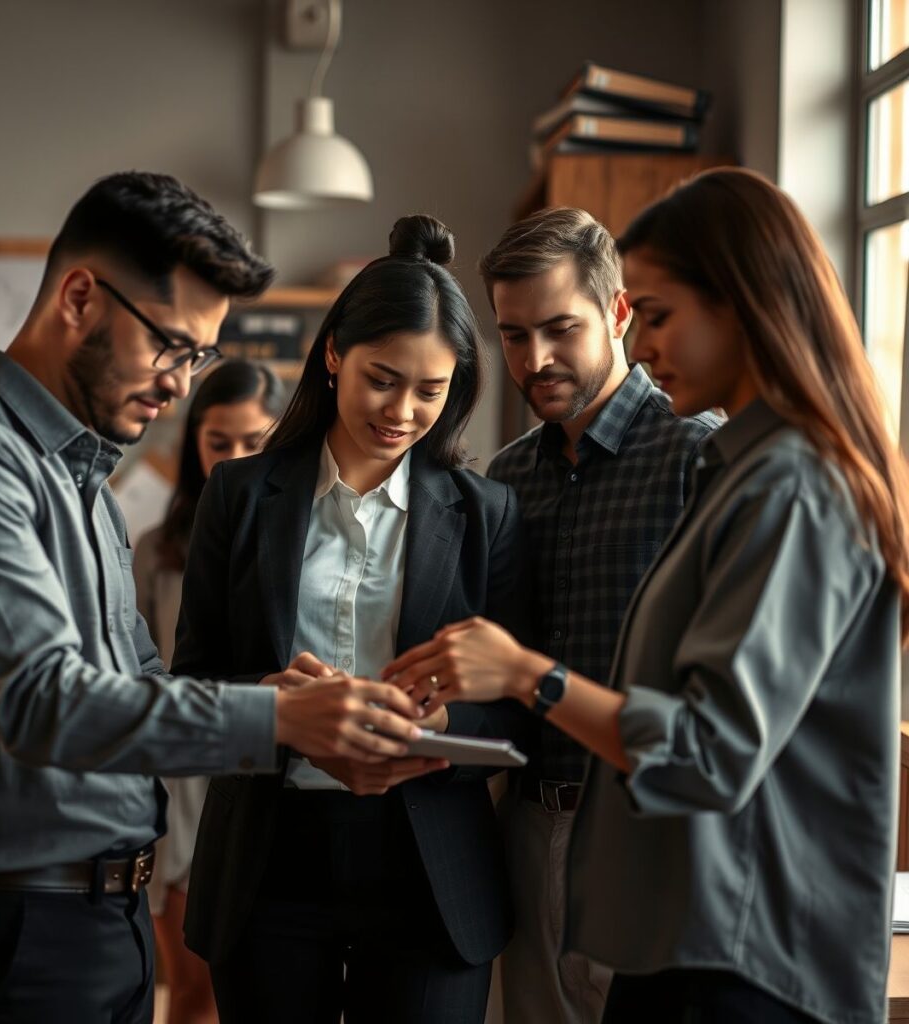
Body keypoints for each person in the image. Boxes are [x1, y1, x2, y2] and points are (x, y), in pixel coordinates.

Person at [0, 171, 423, 1023]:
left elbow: (138, 689)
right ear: (78, 298)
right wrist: (279, 723)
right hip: (9, 931)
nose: (181, 384)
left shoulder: (89, 481)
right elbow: (40, 703)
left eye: (198, 357)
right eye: (171, 345)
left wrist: (270, 702)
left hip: (109, 921)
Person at [385, 167, 909, 1024]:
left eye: (658, 315)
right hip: (615, 863)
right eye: (513, 335)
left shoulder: (763, 479)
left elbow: (711, 748)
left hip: (718, 902)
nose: (536, 359)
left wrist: (528, 675)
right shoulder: (724, 468)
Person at [173, 214, 532, 1024]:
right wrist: (276, 709)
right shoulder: (238, 496)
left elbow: (519, 710)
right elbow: (192, 686)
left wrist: (442, 725)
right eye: (382, 378)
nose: (402, 410)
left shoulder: (488, 516)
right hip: (269, 863)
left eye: (431, 390)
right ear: (334, 354)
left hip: (430, 868)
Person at [474, 206, 718, 1024]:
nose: (535, 359)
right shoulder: (507, 479)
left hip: (650, 830)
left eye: (559, 328)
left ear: (618, 313)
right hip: (526, 825)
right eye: (512, 335)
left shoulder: (699, 455)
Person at [132, 359, 286, 1024]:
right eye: (218, 441)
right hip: (180, 780)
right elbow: (138, 675)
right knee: (192, 990)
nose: (233, 459)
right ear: (193, 440)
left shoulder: (297, 535)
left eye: (254, 441)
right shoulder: (156, 548)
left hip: (272, 777)